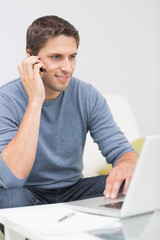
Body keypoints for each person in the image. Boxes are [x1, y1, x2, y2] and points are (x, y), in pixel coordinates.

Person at [0, 15, 138, 209]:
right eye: (56, 57)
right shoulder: (6, 99)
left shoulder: (87, 95)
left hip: (73, 191)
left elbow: (124, 152)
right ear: (31, 57)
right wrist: (35, 101)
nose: (67, 68)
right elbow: (12, 179)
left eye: (72, 57)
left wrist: (127, 165)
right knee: (12, 198)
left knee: (131, 185)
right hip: (28, 192)